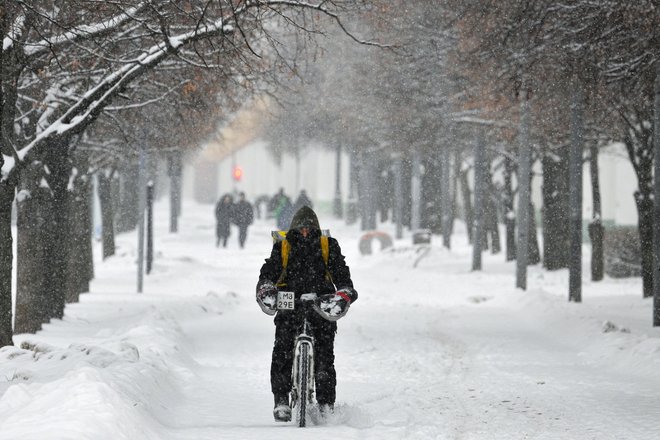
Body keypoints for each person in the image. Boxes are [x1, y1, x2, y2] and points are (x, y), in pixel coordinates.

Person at [255, 206, 358, 422]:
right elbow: (270, 271)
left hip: (320, 304)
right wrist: (266, 287)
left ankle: (326, 404)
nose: (304, 232)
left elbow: (341, 272)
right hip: (289, 303)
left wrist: (344, 292)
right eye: (301, 229)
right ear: (294, 229)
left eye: (309, 229)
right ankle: (281, 399)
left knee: (325, 356)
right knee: (282, 348)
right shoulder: (283, 246)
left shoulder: (328, 246)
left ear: (316, 229)